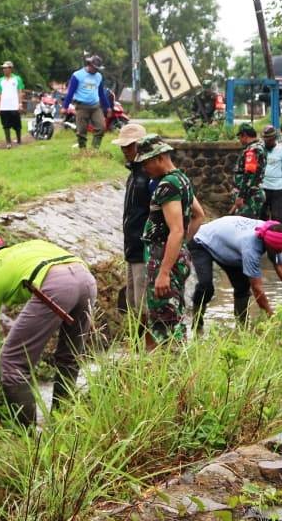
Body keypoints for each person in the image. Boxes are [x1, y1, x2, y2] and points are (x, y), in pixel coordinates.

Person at [0, 236, 96, 426]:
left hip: (56, 284)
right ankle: (62, 424)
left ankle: (28, 439)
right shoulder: (29, 246)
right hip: (86, 279)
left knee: (12, 359)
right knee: (70, 357)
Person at [137, 136, 205, 347]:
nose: (144, 168)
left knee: (164, 318)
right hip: (175, 254)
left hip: (162, 256)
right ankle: (177, 368)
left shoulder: (167, 186)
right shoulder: (182, 179)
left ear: (158, 158)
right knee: (173, 312)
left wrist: (164, 271)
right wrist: (181, 246)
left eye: (146, 162)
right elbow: (199, 215)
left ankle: (173, 371)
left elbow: (175, 230)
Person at [189, 217, 282, 332]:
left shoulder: (272, 233)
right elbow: (257, 289)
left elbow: (279, 265)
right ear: (268, 244)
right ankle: (197, 326)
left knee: (242, 287)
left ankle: (242, 328)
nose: (280, 252)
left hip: (229, 246)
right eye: (278, 250)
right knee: (206, 287)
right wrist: (271, 316)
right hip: (203, 242)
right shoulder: (251, 248)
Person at [112, 122, 153, 324]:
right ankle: (138, 345)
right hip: (132, 248)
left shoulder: (149, 176)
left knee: (143, 305)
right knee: (132, 303)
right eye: (123, 147)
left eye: (129, 146)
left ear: (141, 145)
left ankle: (145, 349)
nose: (125, 151)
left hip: (144, 249)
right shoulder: (134, 174)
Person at [62, 54, 112, 150]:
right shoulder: (77, 75)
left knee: (101, 128)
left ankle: (94, 150)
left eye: (98, 69)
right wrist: (65, 106)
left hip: (95, 106)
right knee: (81, 132)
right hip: (81, 107)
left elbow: (101, 93)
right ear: (89, 65)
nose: (96, 70)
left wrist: (108, 107)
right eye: (95, 68)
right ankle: (83, 151)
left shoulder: (98, 76)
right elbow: (70, 92)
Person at [230, 123, 267, 218]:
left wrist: (241, 196)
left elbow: (249, 173)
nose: (239, 140)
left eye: (240, 137)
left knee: (245, 226)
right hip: (250, 194)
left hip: (250, 196)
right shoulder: (259, 146)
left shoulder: (253, 150)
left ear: (245, 135)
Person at [0, 61, 25, 146]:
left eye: (6, 68)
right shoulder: (0, 80)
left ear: (10, 69)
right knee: (5, 125)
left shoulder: (17, 79)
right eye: (3, 68)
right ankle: (8, 142)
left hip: (14, 105)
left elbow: (20, 91)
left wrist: (20, 104)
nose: (4, 70)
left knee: (17, 124)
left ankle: (19, 140)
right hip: (4, 106)